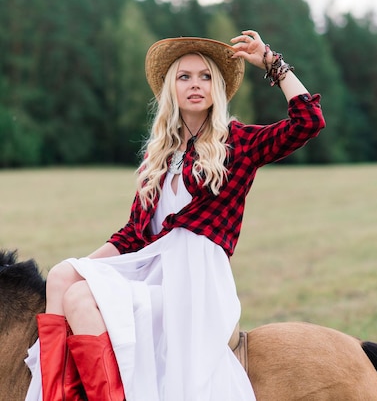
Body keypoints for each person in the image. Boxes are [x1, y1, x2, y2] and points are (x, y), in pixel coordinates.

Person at [25, 29, 325, 401]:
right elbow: (133, 234)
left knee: (80, 299)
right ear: (171, 89)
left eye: (205, 77)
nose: (195, 84)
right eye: (185, 76)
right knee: (62, 278)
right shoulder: (159, 157)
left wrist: (271, 62)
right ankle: (53, 394)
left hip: (197, 281)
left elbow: (307, 122)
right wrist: (85, 266)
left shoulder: (238, 143)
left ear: (217, 88)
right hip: (155, 269)